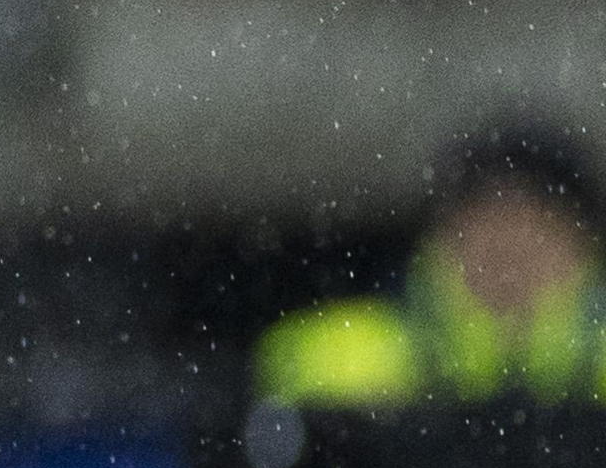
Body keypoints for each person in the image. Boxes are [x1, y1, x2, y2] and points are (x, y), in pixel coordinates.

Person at [250, 122, 606, 417]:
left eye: (536, 226)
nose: (508, 246)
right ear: (438, 238)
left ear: (584, 245)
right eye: (484, 225)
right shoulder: (337, 355)